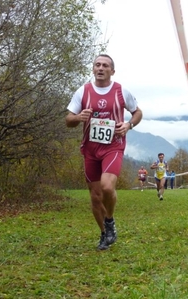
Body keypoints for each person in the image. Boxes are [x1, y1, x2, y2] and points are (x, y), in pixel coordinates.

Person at [65, 54, 143, 250]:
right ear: (93, 69)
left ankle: (110, 221)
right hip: (90, 149)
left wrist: (128, 125)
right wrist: (78, 118)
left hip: (113, 146)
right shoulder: (83, 92)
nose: (100, 68)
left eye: (105, 66)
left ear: (112, 71)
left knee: (108, 187)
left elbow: (138, 112)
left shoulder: (121, 91)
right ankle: (104, 234)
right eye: (97, 65)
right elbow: (68, 120)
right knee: (95, 196)